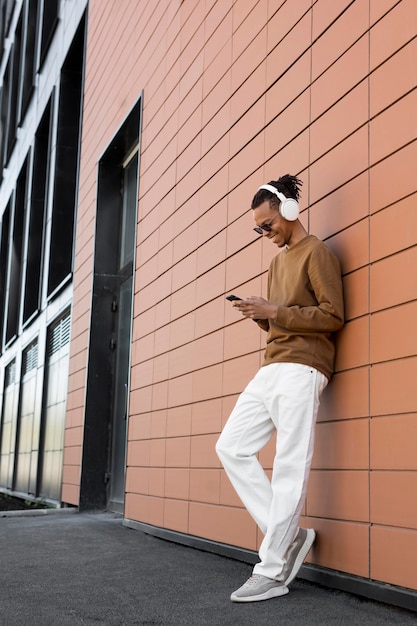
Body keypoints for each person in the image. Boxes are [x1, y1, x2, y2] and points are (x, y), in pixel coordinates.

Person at [216, 174, 344, 603]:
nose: (264, 234)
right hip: (272, 366)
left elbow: (331, 316)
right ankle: (289, 535)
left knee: (289, 465)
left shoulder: (318, 253)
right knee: (230, 447)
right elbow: (281, 318)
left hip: (304, 368)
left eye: (267, 225)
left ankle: (271, 570)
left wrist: (276, 311)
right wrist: (261, 315)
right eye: (258, 229)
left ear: (288, 213)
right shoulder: (276, 264)